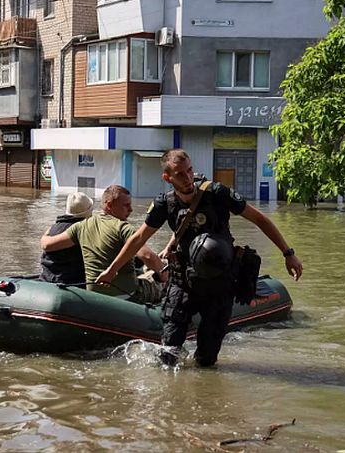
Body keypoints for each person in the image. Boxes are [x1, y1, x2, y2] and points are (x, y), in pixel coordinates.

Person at [102, 148, 304, 367]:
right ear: (167, 177)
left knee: (207, 360)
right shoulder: (165, 203)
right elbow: (139, 237)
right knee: (167, 355)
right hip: (183, 283)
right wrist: (113, 269)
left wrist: (288, 254)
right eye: (180, 174)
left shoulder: (217, 194)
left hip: (219, 283)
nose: (188, 177)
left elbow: (260, 219)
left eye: (189, 170)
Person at [40, 185, 168, 304]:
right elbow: (147, 256)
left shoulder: (81, 226)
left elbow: (48, 245)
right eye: (126, 205)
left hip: (93, 295)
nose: (131, 209)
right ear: (109, 205)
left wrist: (47, 232)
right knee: (162, 272)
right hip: (127, 295)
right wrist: (164, 276)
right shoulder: (123, 227)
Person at [39, 192, 94, 285]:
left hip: (46, 278)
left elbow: (45, 244)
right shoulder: (84, 230)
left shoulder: (54, 227)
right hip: (70, 282)